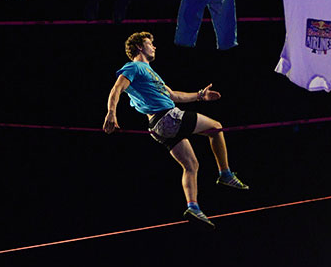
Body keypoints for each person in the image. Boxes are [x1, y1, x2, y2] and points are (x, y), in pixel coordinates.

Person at [103, 31, 248, 227]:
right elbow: (116, 88)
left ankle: (193, 206)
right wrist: (111, 113)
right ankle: (225, 174)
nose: (154, 46)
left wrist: (200, 95)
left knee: (191, 165)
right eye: (149, 43)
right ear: (139, 47)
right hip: (167, 118)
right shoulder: (134, 67)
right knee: (216, 128)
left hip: (159, 127)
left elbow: (174, 96)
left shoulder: (150, 73)